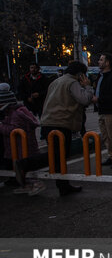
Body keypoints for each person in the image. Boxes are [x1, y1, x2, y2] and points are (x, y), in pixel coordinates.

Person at [15, 61, 94, 196]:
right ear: (80, 74)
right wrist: (88, 87)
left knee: (58, 155)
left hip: (48, 122)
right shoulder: (72, 83)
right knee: (58, 154)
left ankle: (63, 185)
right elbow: (84, 99)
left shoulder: (57, 81)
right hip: (61, 123)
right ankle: (25, 164)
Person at [0, 83, 46, 195]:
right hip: (18, 147)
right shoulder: (12, 113)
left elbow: (14, 129)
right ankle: (26, 185)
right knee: (21, 167)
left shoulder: (16, 114)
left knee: (27, 167)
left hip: (23, 147)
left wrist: (1, 126)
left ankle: (36, 184)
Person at [94, 53, 112, 168]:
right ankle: (111, 155)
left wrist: (99, 99)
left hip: (111, 111)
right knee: (105, 136)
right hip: (101, 110)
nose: (99, 62)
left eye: (101, 60)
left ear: (107, 63)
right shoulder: (100, 76)